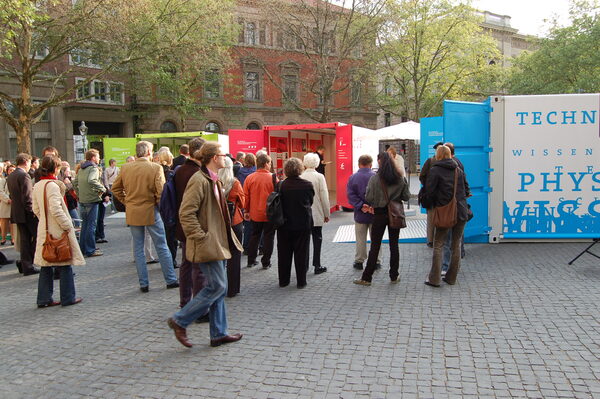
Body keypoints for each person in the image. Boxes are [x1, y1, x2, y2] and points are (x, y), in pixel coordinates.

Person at [167, 142, 243, 348]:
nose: (225, 157)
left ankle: (218, 333)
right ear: (213, 158)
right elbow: (186, 212)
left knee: (217, 287)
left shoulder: (213, 180)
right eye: (222, 154)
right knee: (218, 286)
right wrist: (200, 237)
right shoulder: (199, 180)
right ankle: (180, 320)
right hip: (208, 243)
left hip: (217, 242)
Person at [112, 141, 179, 292]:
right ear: (149, 152)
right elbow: (161, 191)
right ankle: (170, 279)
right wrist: (156, 203)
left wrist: (127, 201)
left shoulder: (126, 168)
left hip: (133, 211)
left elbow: (115, 188)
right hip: (151, 210)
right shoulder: (155, 168)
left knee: (138, 248)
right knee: (161, 245)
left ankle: (144, 283)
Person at [32, 155, 84, 308]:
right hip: (57, 229)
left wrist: (44, 219)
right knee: (65, 261)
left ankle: (43, 298)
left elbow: (36, 209)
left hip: (44, 227)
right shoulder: (53, 186)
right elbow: (56, 209)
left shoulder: (38, 185)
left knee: (46, 263)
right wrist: (67, 225)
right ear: (56, 168)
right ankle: (68, 297)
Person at [354, 152, 410, 286]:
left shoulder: (375, 179)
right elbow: (407, 196)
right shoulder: (400, 178)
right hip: (394, 214)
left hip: (379, 214)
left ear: (379, 162)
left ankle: (367, 277)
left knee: (375, 246)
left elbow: (369, 197)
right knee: (394, 245)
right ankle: (394, 275)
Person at [421, 145, 469, 287]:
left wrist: (432, 204)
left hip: (444, 212)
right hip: (461, 211)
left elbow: (429, 192)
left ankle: (434, 279)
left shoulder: (435, 170)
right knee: (456, 245)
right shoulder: (458, 169)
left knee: (438, 244)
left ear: (438, 155)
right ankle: (451, 277)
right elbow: (466, 189)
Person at [173, 138, 208, 314]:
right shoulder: (196, 173)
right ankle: (199, 309)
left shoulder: (180, 170)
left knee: (187, 264)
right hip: (194, 226)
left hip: (182, 225)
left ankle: (185, 302)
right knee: (198, 266)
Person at [277, 158, 314, 288]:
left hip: (284, 223)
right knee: (301, 253)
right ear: (300, 169)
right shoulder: (307, 185)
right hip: (302, 223)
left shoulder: (281, 185)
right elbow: (310, 202)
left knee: (283, 253)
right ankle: (301, 281)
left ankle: (283, 281)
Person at [346, 155, 381, 270]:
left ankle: (359, 261)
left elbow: (350, 195)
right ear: (371, 164)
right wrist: (372, 206)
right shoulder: (376, 177)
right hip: (374, 213)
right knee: (376, 239)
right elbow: (380, 195)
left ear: (359, 164)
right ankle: (376, 261)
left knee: (360, 238)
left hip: (360, 213)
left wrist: (361, 205)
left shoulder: (353, 178)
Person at [6, 153, 39, 275]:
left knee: (25, 240)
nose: (30, 164)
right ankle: (27, 263)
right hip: (26, 213)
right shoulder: (24, 176)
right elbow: (27, 197)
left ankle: (25, 263)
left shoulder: (12, 175)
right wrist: (32, 211)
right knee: (37, 236)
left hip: (17, 212)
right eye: (30, 162)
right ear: (26, 162)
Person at [243, 153, 277, 269]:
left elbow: (246, 197)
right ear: (266, 163)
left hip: (255, 213)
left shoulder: (250, 178)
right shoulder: (273, 177)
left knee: (255, 236)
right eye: (270, 163)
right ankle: (266, 262)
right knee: (269, 237)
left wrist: (246, 210)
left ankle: (251, 260)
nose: (270, 165)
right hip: (269, 214)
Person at [218, 156, 245, 297]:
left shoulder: (214, 182)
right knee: (235, 255)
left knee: (220, 255)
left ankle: (219, 286)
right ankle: (233, 288)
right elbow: (242, 203)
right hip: (234, 222)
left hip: (218, 222)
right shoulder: (234, 183)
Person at [300, 153, 329, 274]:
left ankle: (304, 266)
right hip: (316, 213)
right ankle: (317, 265)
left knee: (304, 241)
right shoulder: (320, 177)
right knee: (317, 239)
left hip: (303, 214)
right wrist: (326, 213)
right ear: (317, 163)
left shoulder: (300, 176)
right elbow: (324, 196)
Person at [73, 149, 104, 257]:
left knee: (85, 226)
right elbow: (92, 180)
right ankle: (90, 250)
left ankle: (82, 249)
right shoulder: (93, 169)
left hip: (82, 200)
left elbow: (75, 182)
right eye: (98, 156)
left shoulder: (82, 168)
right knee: (91, 226)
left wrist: (79, 193)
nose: (99, 158)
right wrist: (103, 189)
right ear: (93, 158)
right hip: (92, 199)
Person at [419, 142, 444, 247]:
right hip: (437, 195)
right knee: (433, 218)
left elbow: (422, 176)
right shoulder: (431, 161)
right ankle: (431, 240)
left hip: (435, 194)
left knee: (434, 218)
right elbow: (422, 176)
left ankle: (433, 240)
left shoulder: (432, 161)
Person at [157, 147, 178, 268]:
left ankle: (165, 259)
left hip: (157, 207)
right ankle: (171, 260)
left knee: (162, 236)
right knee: (171, 236)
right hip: (169, 208)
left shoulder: (155, 170)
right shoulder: (171, 174)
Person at [238, 153, 256, 253]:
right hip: (255, 199)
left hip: (245, 198)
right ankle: (258, 247)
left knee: (248, 225)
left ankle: (246, 246)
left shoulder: (240, 171)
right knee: (258, 227)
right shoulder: (255, 171)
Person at [0, 163, 15, 246]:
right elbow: (0, 192)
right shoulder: (3, 180)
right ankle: (3, 238)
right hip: (6, 204)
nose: (12, 171)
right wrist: (7, 199)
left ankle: (13, 238)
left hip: (14, 204)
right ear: (7, 171)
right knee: (4, 223)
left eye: (13, 170)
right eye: (10, 170)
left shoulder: (16, 179)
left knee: (13, 223)